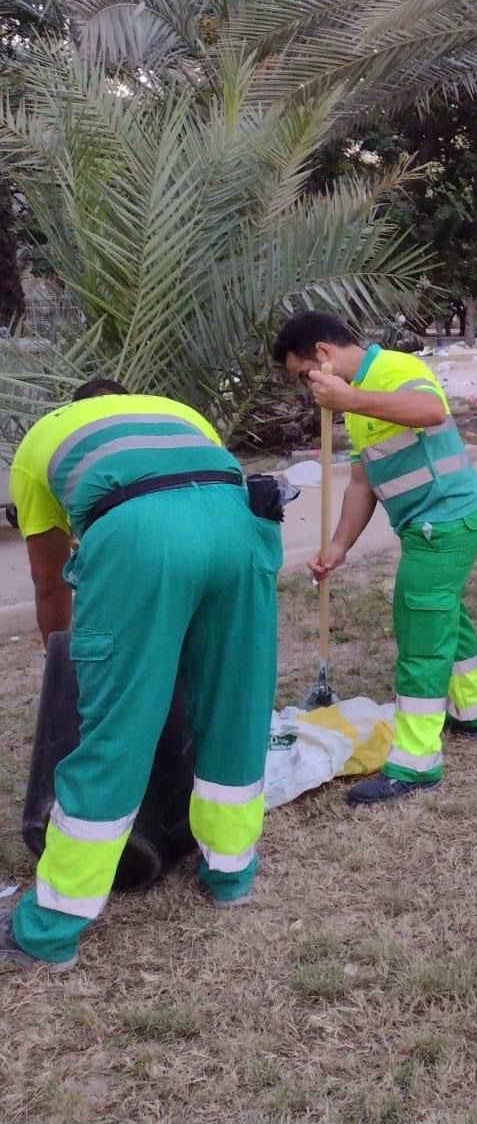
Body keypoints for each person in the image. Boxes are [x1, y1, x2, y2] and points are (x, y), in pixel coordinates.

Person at [2, 381, 281, 971]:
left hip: (140, 536)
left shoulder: (38, 445)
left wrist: (68, 656)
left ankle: (51, 929)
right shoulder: (179, 408)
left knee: (117, 727)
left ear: (70, 406)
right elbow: (202, 491)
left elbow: (49, 580)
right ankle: (230, 875)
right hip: (245, 525)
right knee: (235, 707)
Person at [272, 311, 477, 806]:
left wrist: (348, 398)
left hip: (446, 521)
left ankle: (416, 763)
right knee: (443, 614)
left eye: (303, 374)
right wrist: (339, 546)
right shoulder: (358, 398)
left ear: (324, 355)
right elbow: (362, 482)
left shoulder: (389, 370)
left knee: (421, 632)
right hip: (431, 524)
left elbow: (431, 409)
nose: (307, 387)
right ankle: (471, 710)